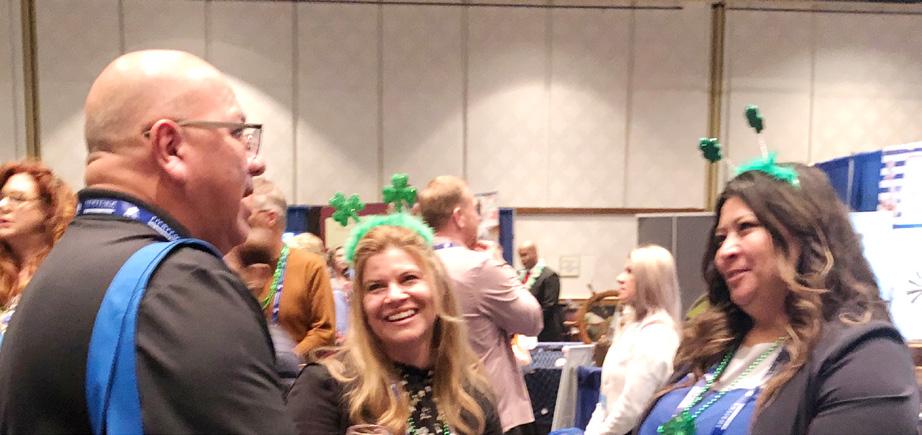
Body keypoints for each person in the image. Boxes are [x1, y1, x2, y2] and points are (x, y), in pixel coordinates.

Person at [0, 50, 294, 433]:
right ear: (170, 147)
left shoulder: (57, 272)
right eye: (238, 134)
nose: (256, 162)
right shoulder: (181, 287)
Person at [637, 163, 920, 435]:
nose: (724, 251)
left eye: (745, 227)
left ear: (805, 234)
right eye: (721, 238)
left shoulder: (866, 355)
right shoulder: (711, 345)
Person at [287, 214, 502, 434]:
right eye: (376, 287)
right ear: (361, 305)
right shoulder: (325, 387)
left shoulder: (471, 392)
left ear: (440, 289)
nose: (395, 296)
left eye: (409, 278)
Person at [418, 175, 543, 435]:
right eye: (475, 211)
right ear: (459, 216)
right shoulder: (479, 266)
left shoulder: (413, 265)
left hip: (435, 409)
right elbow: (532, 321)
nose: (478, 219)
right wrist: (500, 263)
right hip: (493, 410)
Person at [225, 177, 336, 363]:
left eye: (246, 217)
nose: (238, 225)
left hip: (295, 374)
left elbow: (324, 332)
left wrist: (285, 361)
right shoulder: (231, 265)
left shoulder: (309, 266)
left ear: (270, 218)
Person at [584, 244, 681, 435]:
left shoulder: (657, 335)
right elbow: (605, 400)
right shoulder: (633, 328)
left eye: (630, 272)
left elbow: (631, 409)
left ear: (649, 280)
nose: (619, 278)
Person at [0, 160, 76, 339]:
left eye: (17, 198)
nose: (2, 205)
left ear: (49, 209)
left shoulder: (64, 271)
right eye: (1, 197)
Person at [517, 240, 564, 342]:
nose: (522, 259)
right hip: (525, 331)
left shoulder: (549, 276)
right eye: (520, 256)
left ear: (534, 253)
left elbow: (549, 306)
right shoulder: (520, 276)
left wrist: (530, 322)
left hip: (546, 332)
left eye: (525, 255)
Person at [327, 245, 352, 340]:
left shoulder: (354, 279)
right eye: (339, 256)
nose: (343, 259)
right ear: (332, 259)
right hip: (335, 329)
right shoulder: (327, 280)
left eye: (345, 255)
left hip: (353, 327)